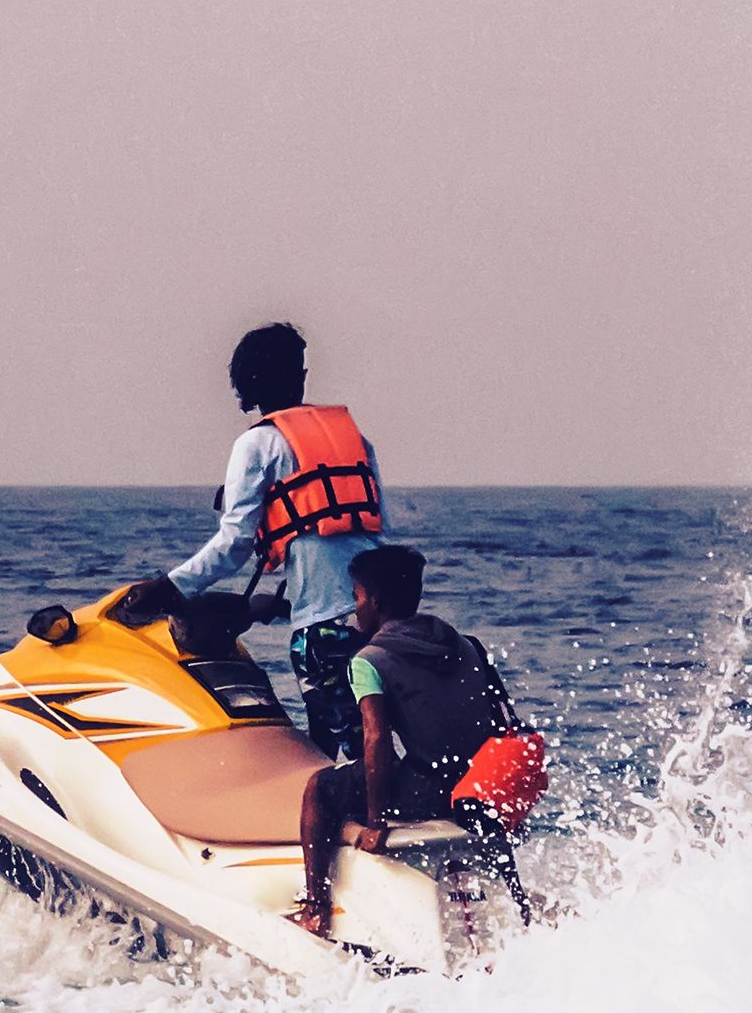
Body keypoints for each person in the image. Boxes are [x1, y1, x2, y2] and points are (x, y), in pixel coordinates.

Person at [165, 321, 383, 756]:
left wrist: (168, 587)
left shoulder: (257, 445)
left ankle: (368, 818)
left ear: (246, 386)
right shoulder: (355, 440)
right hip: (376, 620)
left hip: (322, 634)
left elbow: (234, 544)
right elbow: (372, 540)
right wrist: (281, 605)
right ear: (298, 375)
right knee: (345, 741)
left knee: (353, 751)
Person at [292, 545, 524, 937]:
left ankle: (316, 908)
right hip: (484, 791)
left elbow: (377, 740)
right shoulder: (467, 644)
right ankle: (521, 906)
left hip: (430, 791)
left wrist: (376, 822)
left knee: (320, 788)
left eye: (357, 597)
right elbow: (502, 724)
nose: (355, 608)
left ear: (376, 602)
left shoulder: (369, 659)